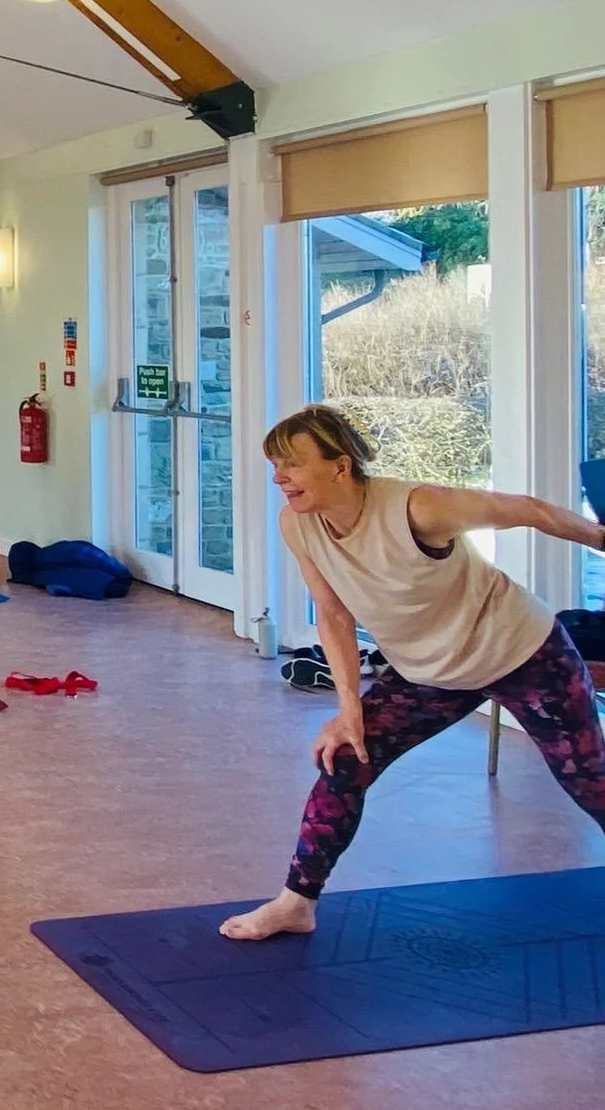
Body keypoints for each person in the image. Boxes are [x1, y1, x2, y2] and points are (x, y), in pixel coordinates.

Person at [221, 404, 605, 942]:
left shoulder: (418, 509)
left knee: (590, 782)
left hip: (523, 653)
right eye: (274, 466)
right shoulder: (299, 524)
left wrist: (600, 538)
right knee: (345, 759)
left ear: (340, 466)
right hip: (426, 670)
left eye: (292, 464)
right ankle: (296, 902)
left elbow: (529, 509)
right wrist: (347, 710)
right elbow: (332, 613)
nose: (279, 477)